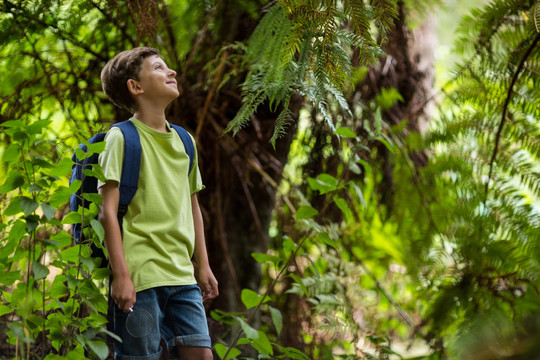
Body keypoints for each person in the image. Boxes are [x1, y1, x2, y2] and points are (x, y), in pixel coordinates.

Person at [97, 47, 218, 360]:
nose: (172, 72)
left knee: (201, 355)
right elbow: (107, 212)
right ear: (135, 87)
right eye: (160, 67)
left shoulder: (184, 141)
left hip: (182, 276)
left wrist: (202, 265)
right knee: (141, 356)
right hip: (141, 276)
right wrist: (121, 276)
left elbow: (193, 209)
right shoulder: (121, 137)